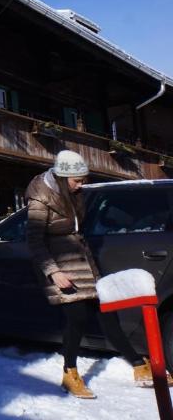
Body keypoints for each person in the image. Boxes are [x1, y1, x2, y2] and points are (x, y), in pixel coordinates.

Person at [26, 150, 159, 398]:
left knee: (107, 313)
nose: (81, 185)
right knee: (77, 318)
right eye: (77, 180)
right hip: (60, 264)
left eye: (83, 180)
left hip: (83, 261)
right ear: (63, 177)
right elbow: (34, 241)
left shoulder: (74, 194)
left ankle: (139, 364)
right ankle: (69, 373)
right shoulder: (40, 198)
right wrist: (53, 273)